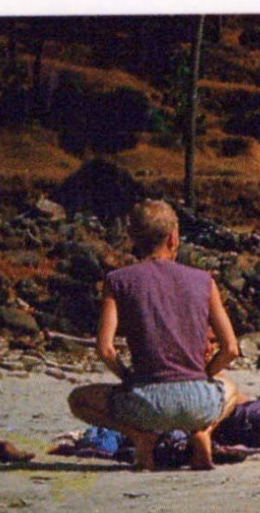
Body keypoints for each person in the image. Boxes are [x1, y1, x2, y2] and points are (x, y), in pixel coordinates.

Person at [67, 199, 240, 471]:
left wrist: (128, 378)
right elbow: (230, 348)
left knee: (78, 400)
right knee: (230, 388)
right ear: (173, 238)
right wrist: (204, 374)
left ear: (133, 238)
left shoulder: (118, 280)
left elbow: (105, 349)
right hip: (198, 403)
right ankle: (203, 432)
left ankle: (141, 437)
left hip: (146, 402)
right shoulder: (204, 280)